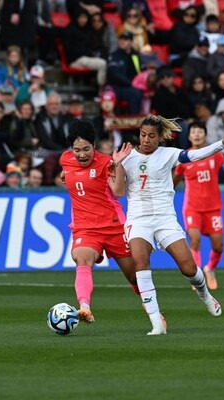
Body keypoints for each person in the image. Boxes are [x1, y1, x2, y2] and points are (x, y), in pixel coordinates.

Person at [110, 115, 224, 335]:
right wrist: (117, 164)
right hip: (138, 219)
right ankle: (156, 322)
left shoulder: (169, 155)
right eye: (143, 135)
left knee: (189, 268)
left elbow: (195, 154)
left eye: (151, 136)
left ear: (160, 137)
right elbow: (118, 192)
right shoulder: (126, 157)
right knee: (140, 262)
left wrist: (222, 144)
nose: (145, 140)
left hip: (165, 218)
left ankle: (205, 295)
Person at [59, 119, 152, 325]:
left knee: (134, 276)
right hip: (85, 227)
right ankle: (84, 307)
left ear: (94, 145)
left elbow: (118, 192)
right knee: (82, 259)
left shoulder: (105, 163)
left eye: (86, 149)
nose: (82, 154)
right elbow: (66, 173)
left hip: (113, 226)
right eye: (77, 149)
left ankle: (151, 308)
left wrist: (117, 164)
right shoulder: (65, 159)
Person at [173, 121, 224, 291]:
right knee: (195, 241)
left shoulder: (215, 155)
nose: (197, 135)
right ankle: (198, 277)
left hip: (212, 208)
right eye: (194, 132)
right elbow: (174, 181)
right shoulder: (184, 158)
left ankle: (210, 268)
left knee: (218, 246)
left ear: (205, 135)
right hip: (192, 207)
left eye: (200, 132)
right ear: (189, 136)